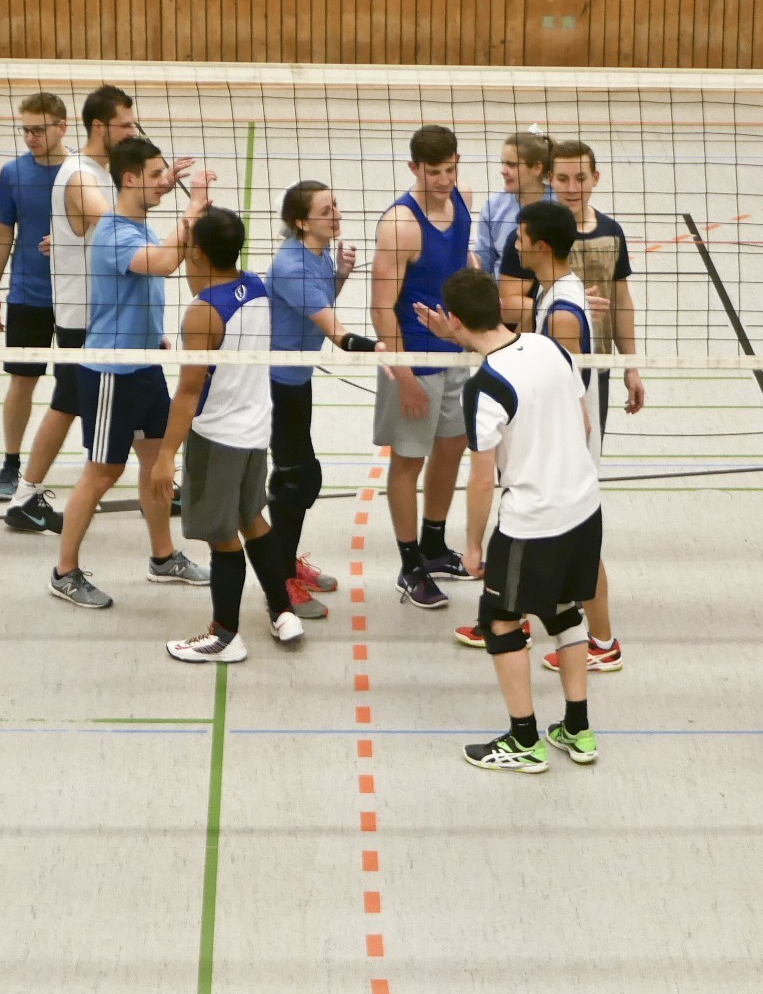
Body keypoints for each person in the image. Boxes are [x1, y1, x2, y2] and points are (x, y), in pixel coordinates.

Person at [418, 269, 602, 774]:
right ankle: (578, 729)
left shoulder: (485, 387)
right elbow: (585, 422)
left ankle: (524, 740)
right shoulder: (550, 347)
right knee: (565, 612)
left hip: (533, 522)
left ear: (455, 320)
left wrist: (473, 546)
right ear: (498, 306)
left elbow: (482, 481)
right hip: (584, 508)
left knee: (500, 621)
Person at [50, 137, 212, 610]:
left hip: (143, 366)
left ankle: (163, 557)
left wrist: (151, 336)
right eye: (156, 175)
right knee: (103, 472)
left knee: (158, 464)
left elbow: (154, 273)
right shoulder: (113, 233)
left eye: (166, 174)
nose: (165, 182)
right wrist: (193, 210)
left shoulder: (139, 226)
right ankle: (64, 572)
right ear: (129, 179)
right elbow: (163, 265)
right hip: (110, 373)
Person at [499, 138, 644, 666]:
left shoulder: (575, 283)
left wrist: (629, 365)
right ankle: (526, 616)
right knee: (547, 510)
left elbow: (618, 306)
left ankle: (590, 636)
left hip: (574, 395)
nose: (571, 187)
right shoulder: (547, 264)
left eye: (580, 178)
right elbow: (507, 300)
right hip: (553, 393)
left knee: (568, 516)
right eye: (562, 178)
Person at [152, 207, 306, 661]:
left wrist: (166, 454)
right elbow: (208, 289)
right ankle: (283, 611)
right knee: (252, 519)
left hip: (217, 435)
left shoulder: (201, 314)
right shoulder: (254, 285)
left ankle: (224, 635)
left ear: (197, 252)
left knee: (221, 535)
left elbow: (187, 393)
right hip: (255, 428)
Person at [6, 84, 152, 534]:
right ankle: (25, 495)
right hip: (85, 317)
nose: (133, 132)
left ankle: (160, 482)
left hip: (109, 313)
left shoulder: (102, 171)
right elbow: (114, 228)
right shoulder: (81, 175)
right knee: (68, 401)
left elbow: (99, 228)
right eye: (125, 125)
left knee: (139, 393)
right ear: (99, 127)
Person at [266, 180, 386, 620]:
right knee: (295, 480)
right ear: (301, 223)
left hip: (297, 379)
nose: (336, 214)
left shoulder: (317, 255)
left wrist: (339, 276)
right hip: (276, 384)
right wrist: (379, 348)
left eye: (335, 204)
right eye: (325, 210)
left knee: (302, 477)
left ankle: (286, 559)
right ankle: (280, 579)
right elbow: (336, 333)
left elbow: (314, 308)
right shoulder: (292, 266)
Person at [370, 124, 474, 610]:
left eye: (450, 169)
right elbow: (381, 308)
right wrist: (406, 375)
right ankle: (409, 566)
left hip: (454, 350)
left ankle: (434, 545)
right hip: (414, 359)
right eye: (434, 172)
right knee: (408, 461)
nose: (444, 180)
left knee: (452, 446)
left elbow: (463, 260)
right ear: (414, 168)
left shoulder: (463, 200)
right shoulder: (400, 226)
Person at [0, 92, 71, 502]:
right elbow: (3, 232)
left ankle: (102, 461)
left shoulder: (82, 171)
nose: (31, 137)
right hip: (28, 295)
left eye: (38, 129)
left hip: (77, 297)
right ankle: (10, 462)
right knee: (22, 381)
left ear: (62, 127)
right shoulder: (13, 173)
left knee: (88, 381)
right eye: (26, 130)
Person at [472, 129, 552, 278]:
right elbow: (484, 261)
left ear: (537, 168)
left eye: (511, 165)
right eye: (503, 164)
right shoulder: (493, 206)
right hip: (502, 291)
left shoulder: (559, 204)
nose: (503, 171)